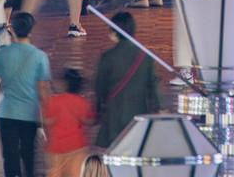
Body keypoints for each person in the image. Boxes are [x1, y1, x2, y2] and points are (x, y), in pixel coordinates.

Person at [0, 11, 52, 177]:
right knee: (28, 154)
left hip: (6, 112)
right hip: (29, 114)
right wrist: (47, 115)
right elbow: (42, 89)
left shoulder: (3, 53)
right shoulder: (40, 57)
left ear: (12, 30)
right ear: (31, 30)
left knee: (9, 156)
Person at [93, 10, 161, 146]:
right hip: (138, 113)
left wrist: (98, 108)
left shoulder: (108, 57)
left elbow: (99, 87)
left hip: (114, 114)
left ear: (114, 32)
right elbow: (153, 85)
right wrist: (158, 107)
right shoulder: (145, 56)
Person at [43, 68, 96, 177]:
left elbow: (47, 122)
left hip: (56, 148)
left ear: (65, 84)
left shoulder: (54, 101)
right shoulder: (83, 102)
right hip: (77, 147)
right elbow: (89, 121)